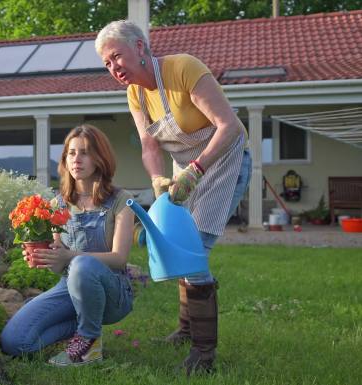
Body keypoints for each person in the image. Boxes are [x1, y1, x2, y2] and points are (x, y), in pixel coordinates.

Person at [95, 20, 252, 374]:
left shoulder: (184, 68)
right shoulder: (136, 93)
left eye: (116, 56)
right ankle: (185, 330)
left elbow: (227, 125)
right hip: (185, 171)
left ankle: (203, 354)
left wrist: (195, 170)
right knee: (176, 244)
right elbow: (150, 145)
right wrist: (157, 179)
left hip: (225, 160)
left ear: (139, 48)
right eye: (107, 64)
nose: (113, 67)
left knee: (193, 249)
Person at [0, 124, 136, 366]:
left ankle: (89, 344)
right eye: (71, 153)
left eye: (85, 152)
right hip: (69, 287)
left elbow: (119, 258)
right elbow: (58, 265)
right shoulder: (59, 204)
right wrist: (43, 256)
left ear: (100, 158)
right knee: (15, 342)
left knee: (83, 264)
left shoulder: (121, 200)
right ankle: (80, 329)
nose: (77, 159)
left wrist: (70, 256)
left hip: (112, 290)